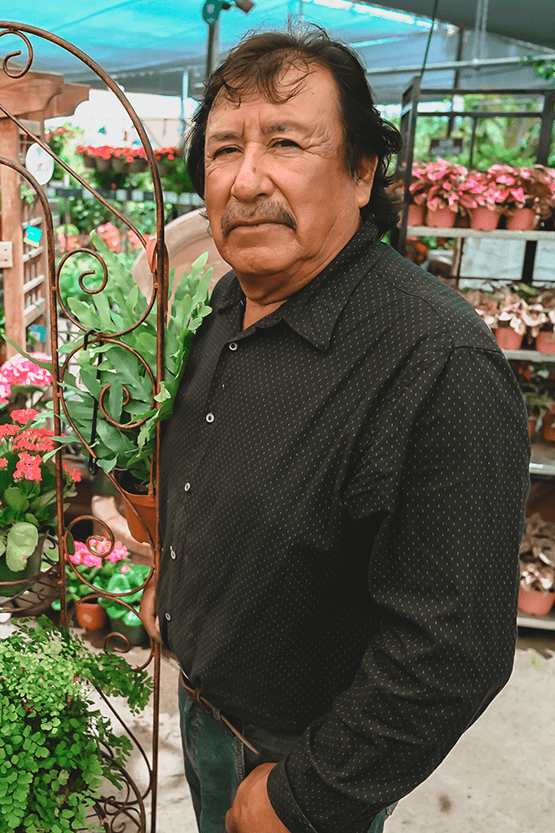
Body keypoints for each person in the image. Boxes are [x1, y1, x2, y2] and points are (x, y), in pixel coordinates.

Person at [139, 24, 530, 833]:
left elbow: (454, 647)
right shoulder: (225, 306)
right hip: (204, 708)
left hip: (295, 758)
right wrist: (170, 585)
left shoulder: (435, 359)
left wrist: (305, 796)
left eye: (286, 142)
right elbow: (211, 474)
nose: (246, 180)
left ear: (360, 171)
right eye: (223, 150)